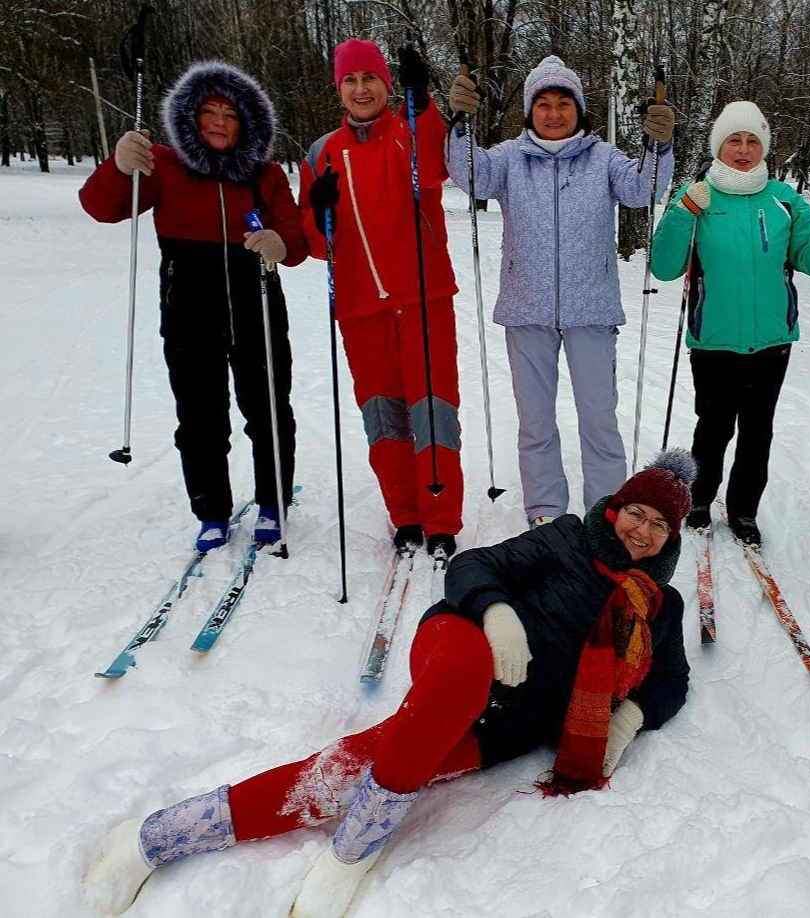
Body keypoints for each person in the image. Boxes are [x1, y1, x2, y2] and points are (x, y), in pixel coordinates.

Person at [82, 450, 695, 918]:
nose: (640, 531)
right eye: (635, 513)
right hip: (466, 644)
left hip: (509, 723)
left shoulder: (661, 607)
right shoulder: (564, 535)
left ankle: (150, 840)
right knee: (458, 680)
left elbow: (671, 681)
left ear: (671, 541)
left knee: (352, 769)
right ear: (614, 508)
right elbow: (474, 565)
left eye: (658, 526)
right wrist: (496, 613)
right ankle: (353, 854)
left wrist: (630, 716)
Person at [79, 62, 306, 550]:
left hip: (258, 309)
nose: (219, 121)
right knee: (200, 417)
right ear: (192, 117)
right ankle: (212, 510)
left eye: (230, 113)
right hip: (188, 313)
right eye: (209, 110)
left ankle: (273, 501)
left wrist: (280, 243)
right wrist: (118, 164)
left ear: (247, 121)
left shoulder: (264, 176)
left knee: (267, 409)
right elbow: (101, 206)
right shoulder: (163, 166)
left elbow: (295, 232)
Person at [444, 55, 676, 529]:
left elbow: (641, 190)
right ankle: (546, 511)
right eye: (543, 104)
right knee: (535, 422)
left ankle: (607, 509)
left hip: (590, 308)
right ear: (530, 111)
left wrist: (660, 144)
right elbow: (472, 176)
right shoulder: (509, 158)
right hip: (526, 308)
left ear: (579, 108)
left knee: (598, 418)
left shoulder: (603, 158)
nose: (554, 113)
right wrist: (459, 126)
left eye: (563, 103)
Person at [650, 101, 810, 547]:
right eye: (733, 140)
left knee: (758, 431)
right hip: (713, 340)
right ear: (719, 145)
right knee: (713, 427)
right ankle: (698, 500)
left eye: (752, 140)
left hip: (772, 341)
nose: (743, 149)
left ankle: (743, 510)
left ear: (764, 147)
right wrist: (682, 213)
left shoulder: (783, 199)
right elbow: (663, 268)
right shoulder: (698, 196)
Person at [300, 39, 462, 558]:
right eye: (351, 80)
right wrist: (320, 213)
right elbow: (318, 245)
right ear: (339, 89)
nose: (361, 89)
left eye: (370, 79)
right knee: (384, 415)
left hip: (423, 297)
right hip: (359, 307)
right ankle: (406, 515)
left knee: (433, 410)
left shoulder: (408, 131)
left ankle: (440, 515)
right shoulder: (322, 152)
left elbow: (435, 165)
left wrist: (421, 100)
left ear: (386, 85)